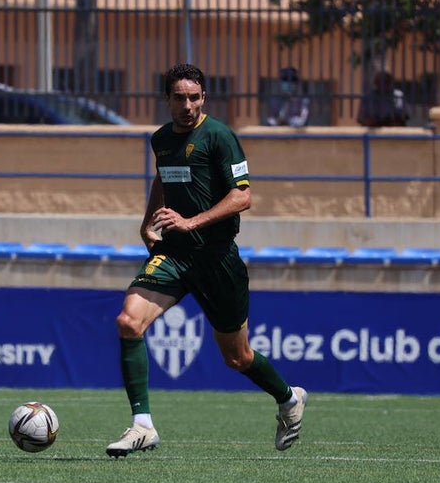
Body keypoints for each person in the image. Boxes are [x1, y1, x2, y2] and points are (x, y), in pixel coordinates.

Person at [106, 63, 307, 457]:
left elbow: (242, 196)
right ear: (167, 99)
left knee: (237, 357)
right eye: (179, 97)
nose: (187, 105)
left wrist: (190, 221)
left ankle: (288, 398)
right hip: (174, 255)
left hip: (217, 258)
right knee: (129, 322)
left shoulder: (220, 137)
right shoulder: (161, 139)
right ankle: (142, 426)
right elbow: (163, 178)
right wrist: (149, 221)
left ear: (204, 98)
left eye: (194, 97)